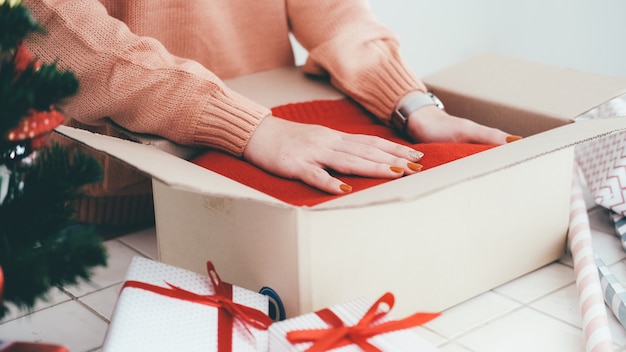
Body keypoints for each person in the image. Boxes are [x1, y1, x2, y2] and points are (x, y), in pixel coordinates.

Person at [24, 0, 517, 196]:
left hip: (261, 182)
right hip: (105, 200)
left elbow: (331, 8)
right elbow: (60, 31)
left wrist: (410, 102)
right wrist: (248, 126)